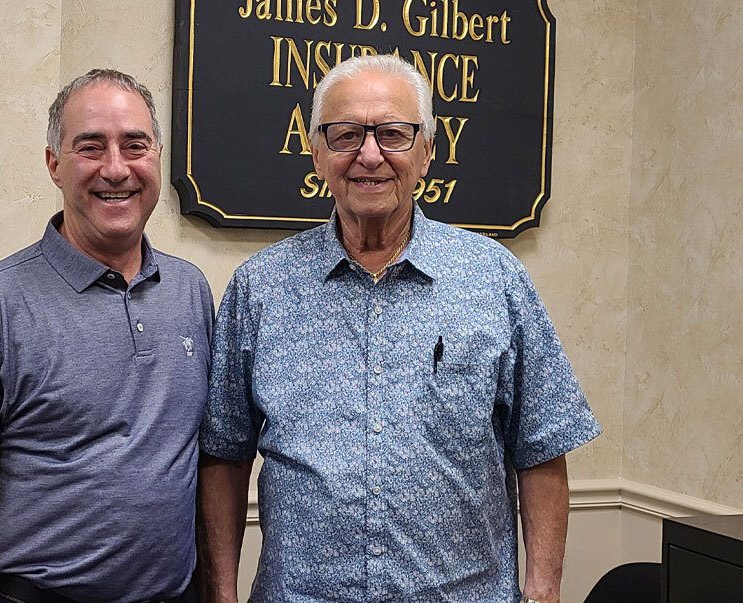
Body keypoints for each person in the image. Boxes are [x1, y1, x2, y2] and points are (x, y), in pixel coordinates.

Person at [196, 54, 601, 603]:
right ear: (316, 153)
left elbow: (543, 446)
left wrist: (543, 590)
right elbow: (225, 452)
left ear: (427, 152)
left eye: (393, 134)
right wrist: (221, 592)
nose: (369, 155)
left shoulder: (493, 279)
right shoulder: (260, 288)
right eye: (345, 135)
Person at [0, 69, 213, 603]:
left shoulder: (190, 291)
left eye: (134, 145)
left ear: (157, 156)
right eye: (90, 147)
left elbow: (198, 461)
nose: (116, 168)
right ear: (54, 165)